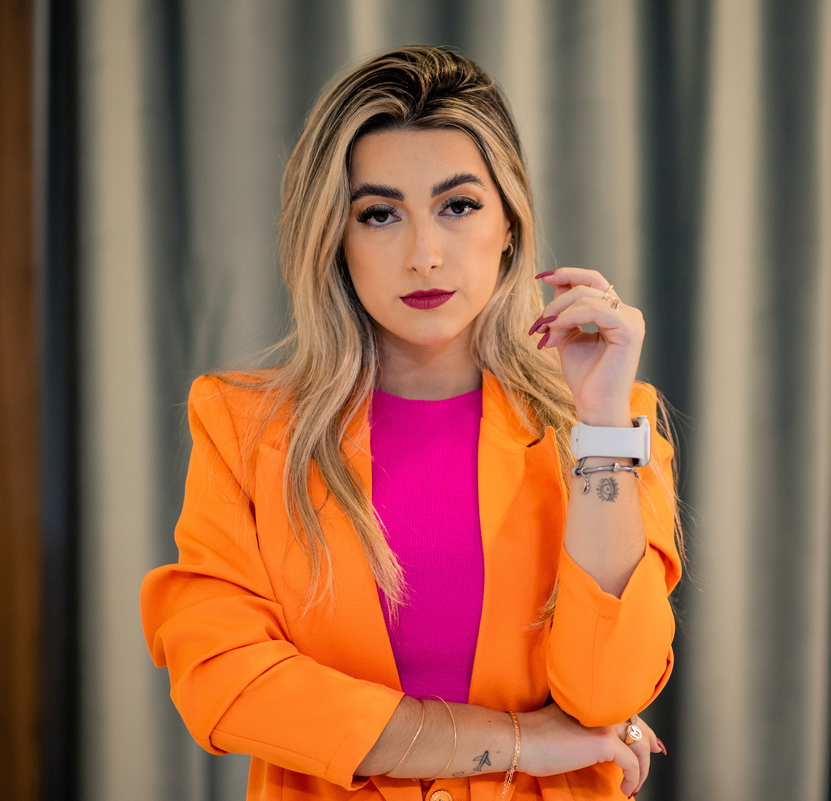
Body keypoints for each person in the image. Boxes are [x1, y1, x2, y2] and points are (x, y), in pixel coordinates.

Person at [140, 45, 683, 801]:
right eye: (379, 214)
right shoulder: (242, 426)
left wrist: (597, 423)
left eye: (458, 206)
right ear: (335, 238)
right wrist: (524, 741)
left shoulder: (615, 425)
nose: (424, 255)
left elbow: (607, 690)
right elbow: (227, 682)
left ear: (509, 225)